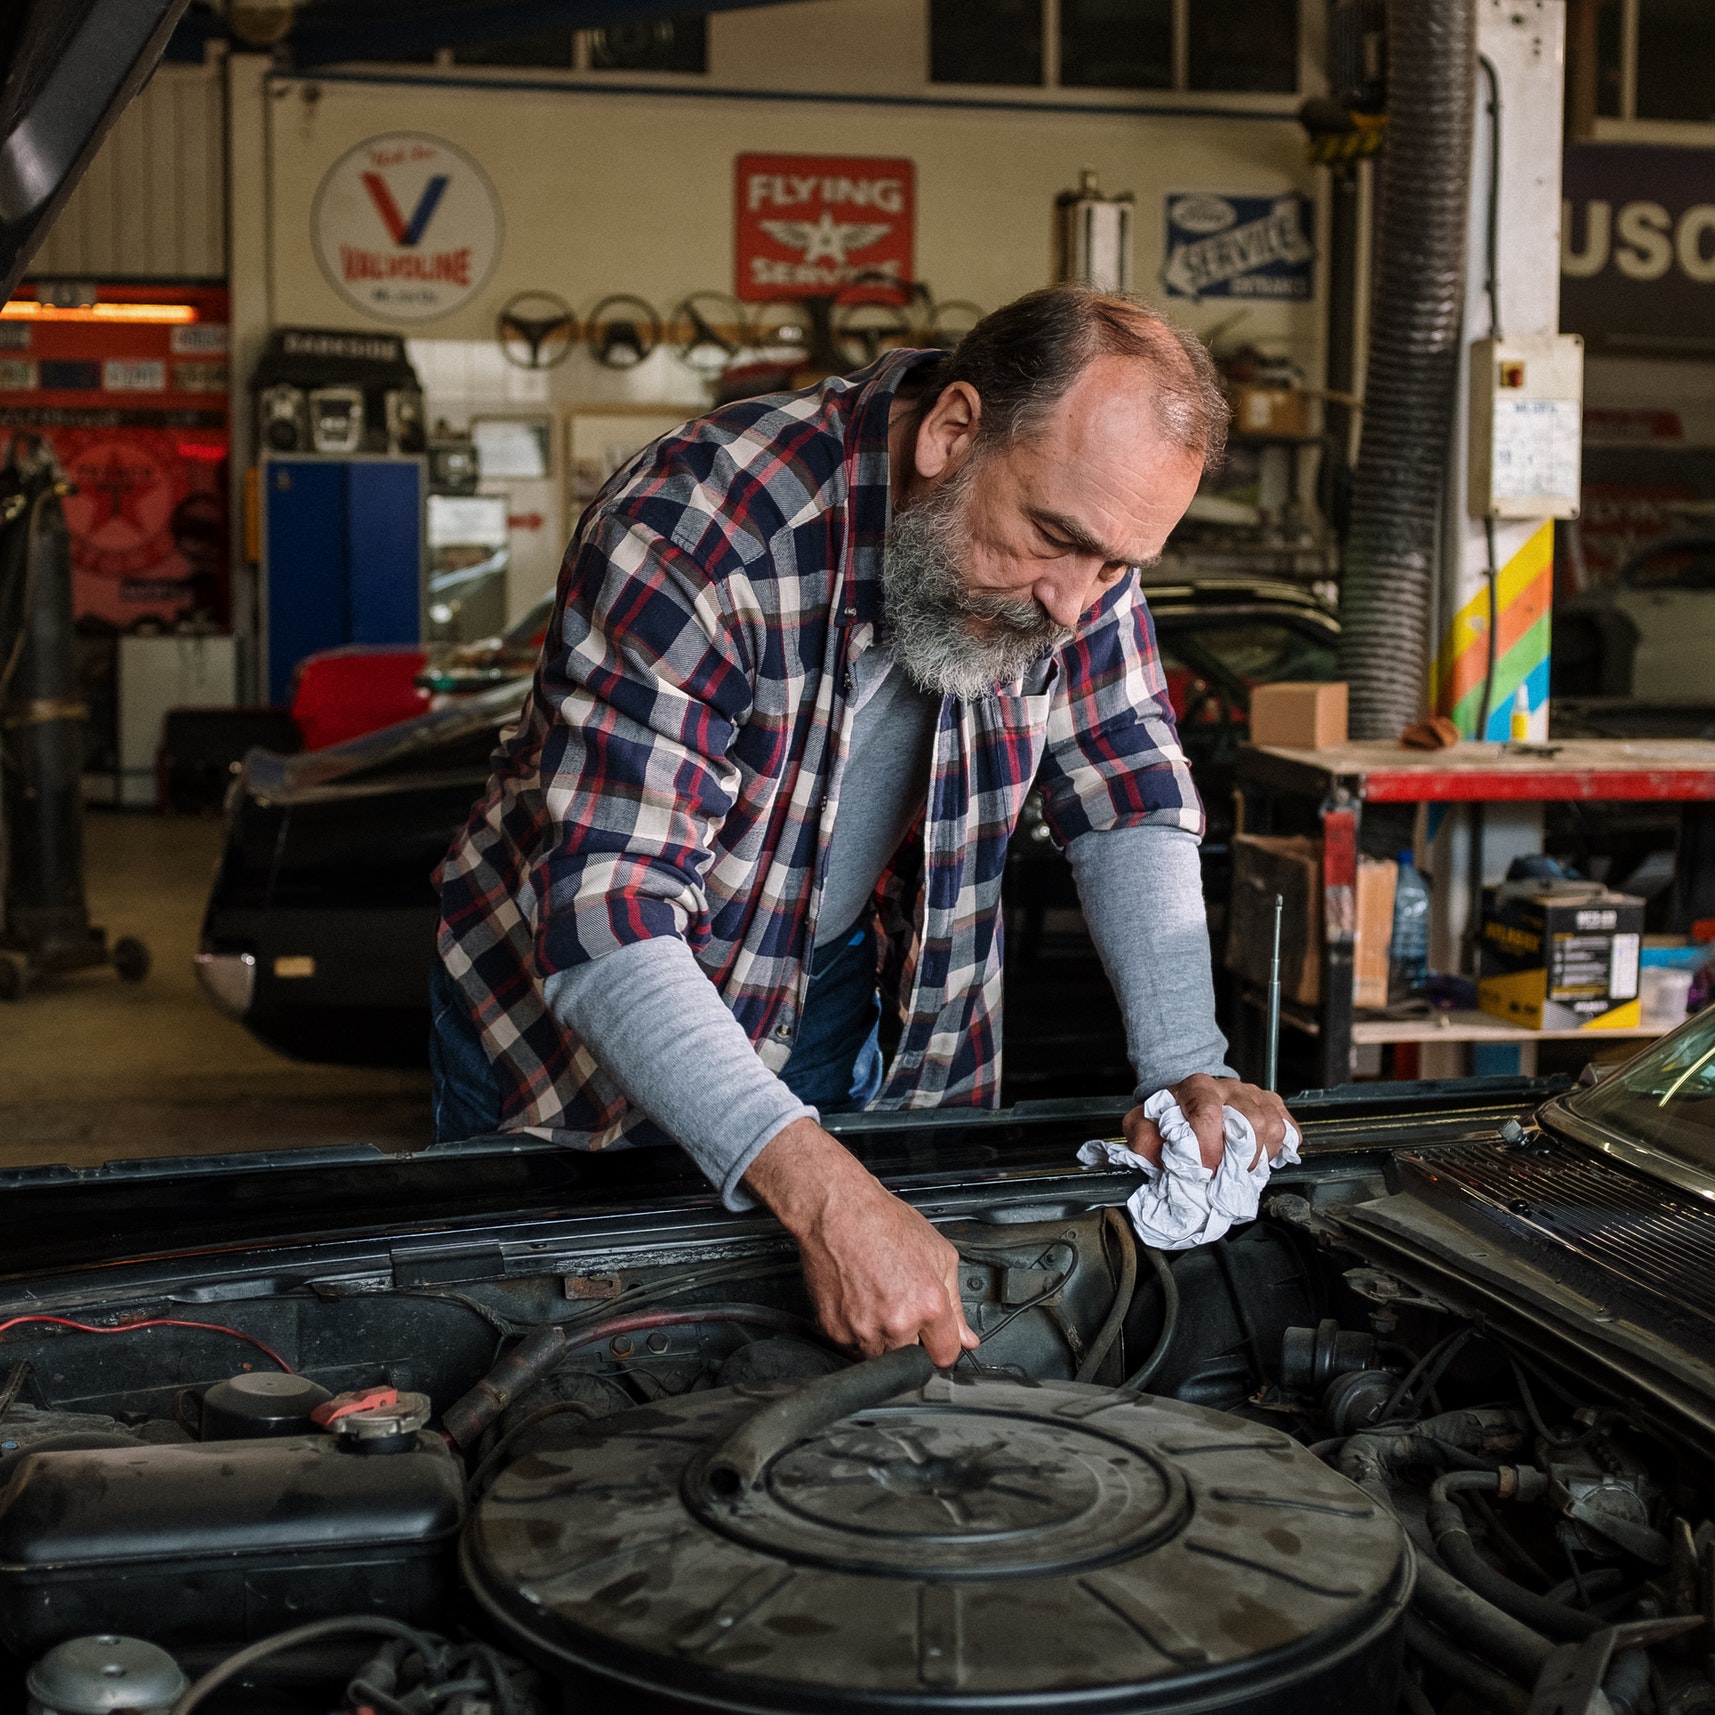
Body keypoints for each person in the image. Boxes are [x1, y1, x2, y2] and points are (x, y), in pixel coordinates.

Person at [432, 285, 1292, 1367]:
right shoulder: (698, 529)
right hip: (573, 1033)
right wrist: (823, 1191)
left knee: (815, 1353)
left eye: (1117, 566)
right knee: (571, 1361)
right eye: (1054, 541)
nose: (1077, 604)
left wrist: (1183, 1062)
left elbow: (1127, 785)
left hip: (837, 978)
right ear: (949, 433)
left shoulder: (1078, 547)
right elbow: (610, 911)